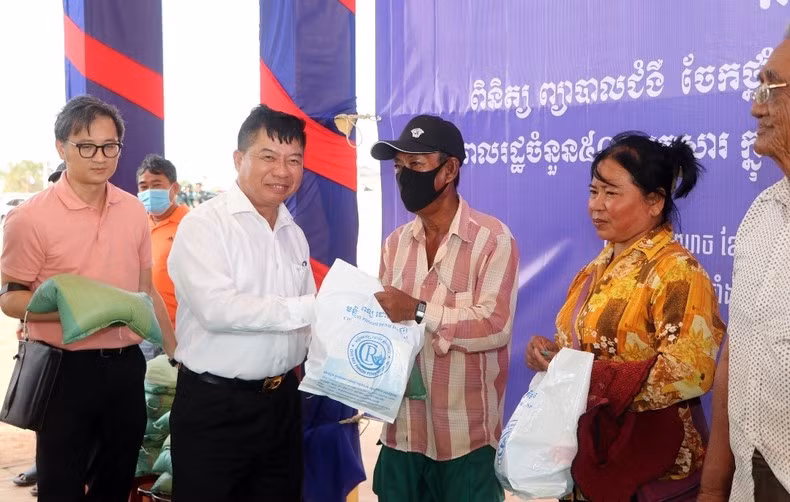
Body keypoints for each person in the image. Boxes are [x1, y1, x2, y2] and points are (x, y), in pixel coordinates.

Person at [526, 132, 725, 501]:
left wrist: (588, 376)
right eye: (593, 191)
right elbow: (592, 349)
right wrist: (553, 355)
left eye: (611, 193)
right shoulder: (594, 268)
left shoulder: (678, 270)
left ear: (654, 202)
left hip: (655, 471)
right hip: (592, 456)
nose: (596, 205)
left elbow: (691, 372)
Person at [0, 95, 176, 502]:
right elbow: (10, 300)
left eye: (110, 146)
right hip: (63, 372)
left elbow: (144, 291)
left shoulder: (133, 211)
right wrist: (69, 304)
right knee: (61, 486)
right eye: (86, 146)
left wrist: (174, 351)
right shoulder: (29, 217)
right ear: (61, 147)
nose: (100, 157)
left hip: (126, 369)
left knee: (116, 481)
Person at [167, 104, 316, 501]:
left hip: (282, 403)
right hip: (216, 408)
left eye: (294, 160)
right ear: (239, 159)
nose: (282, 171)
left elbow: (313, 322)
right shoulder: (204, 226)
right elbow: (219, 310)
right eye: (268, 157)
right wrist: (311, 310)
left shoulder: (293, 234)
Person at [369, 115, 520, 502]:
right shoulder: (395, 244)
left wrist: (419, 310)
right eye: (399, 167)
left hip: (465, 441)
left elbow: (494, 324)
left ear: (449, 169)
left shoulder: (492, 240)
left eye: (416, 165)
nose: (404, 176)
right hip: (402, 434)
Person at [698, 28, 790, 502]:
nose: (756, 107)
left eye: (770, 89)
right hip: (749, 484)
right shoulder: (760, 217)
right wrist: (714, 485)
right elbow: (737, 352)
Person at [9, 162, 65, 498]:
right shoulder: (31, 221)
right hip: (47, 348)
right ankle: (42, 468)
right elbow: (17, 293)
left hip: (102, 353)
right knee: (43, 415)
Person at [137, 154, 188, 360]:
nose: (149, 192)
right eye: (143, 186)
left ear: (174, 189)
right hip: (143, 332)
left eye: (156, 185)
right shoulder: (138, 225)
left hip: (181, 332)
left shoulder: (191, 225)